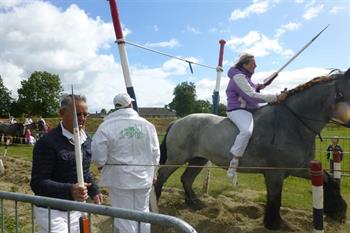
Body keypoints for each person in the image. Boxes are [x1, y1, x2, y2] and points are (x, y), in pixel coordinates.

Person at [30, 94, 103, 233]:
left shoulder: (86, 140)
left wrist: (94, 189)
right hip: (51, 210)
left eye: (85, 114)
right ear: (62, 113)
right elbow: (38, 183)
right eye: (77, 114)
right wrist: (70, 190)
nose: (82, 118)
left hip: (77, 208)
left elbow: (84, 171)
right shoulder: (47, 142)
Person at [92, 93, 160, 233]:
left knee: (124, 217)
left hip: (119, 179)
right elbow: (155, 153)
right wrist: (153, 173)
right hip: (143, 177)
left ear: (116, 107)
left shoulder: (106, 126)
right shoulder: (147, 125)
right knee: (143, 213)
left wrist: (101, 164)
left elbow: (98, 155)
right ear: (130, 105)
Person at [226, 53, 287, 183]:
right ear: (245, 64)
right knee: (246, 131)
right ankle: (233, 163)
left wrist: (260, 86)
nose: (256, 65)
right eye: (253, 63)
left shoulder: (246, 77)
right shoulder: (238, 76)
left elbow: (253, 88)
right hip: (238, 110)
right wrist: (275, 97)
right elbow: (250, 95)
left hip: (251, 108)